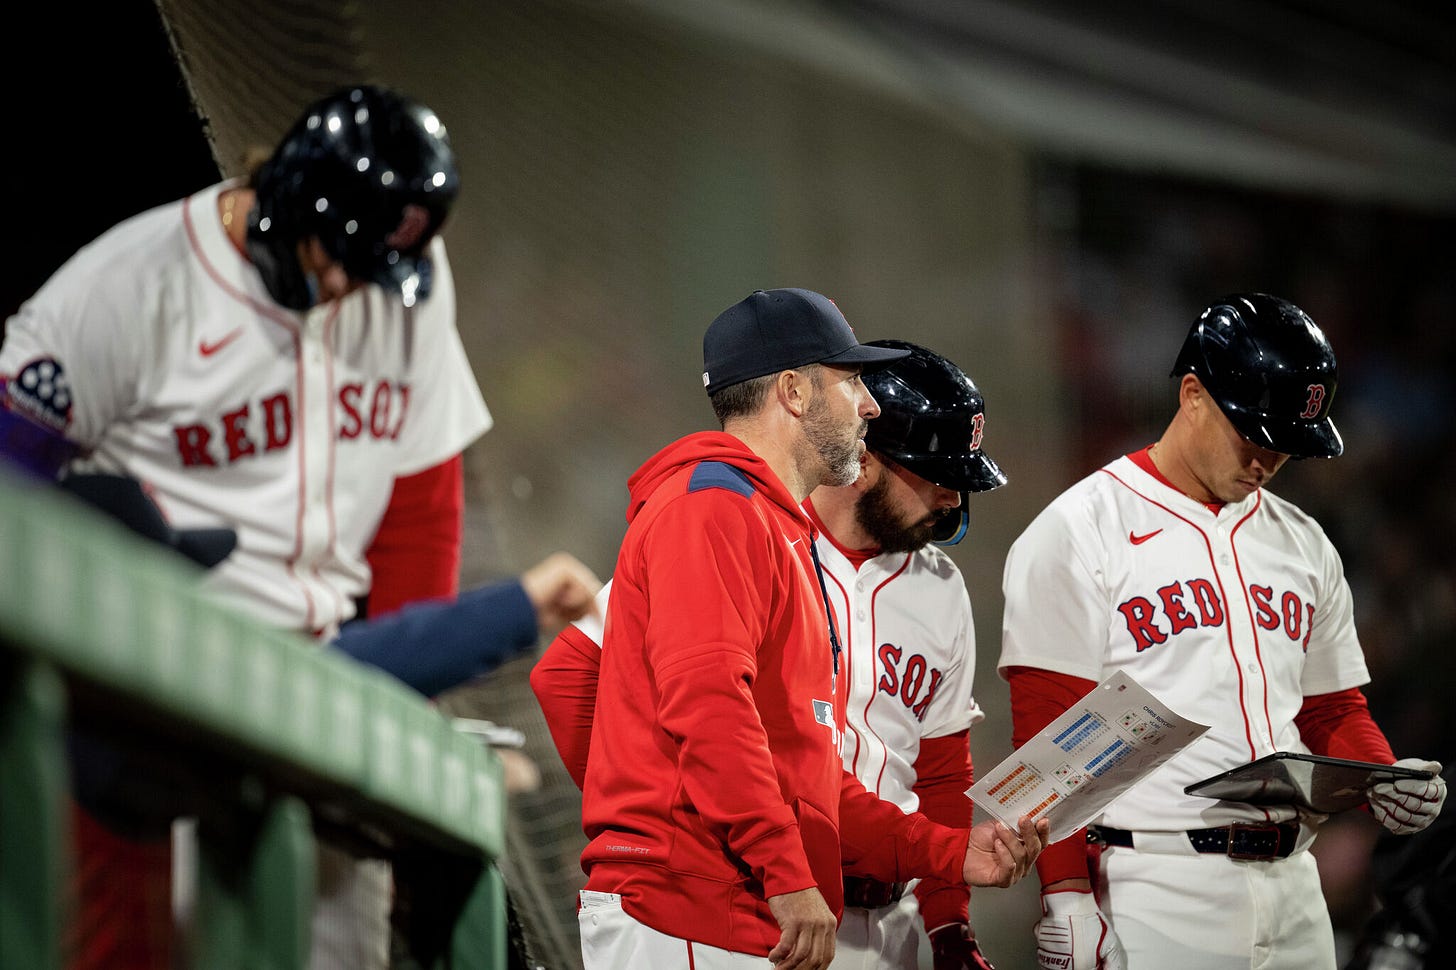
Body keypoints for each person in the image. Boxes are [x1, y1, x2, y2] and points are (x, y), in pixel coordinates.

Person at [1, 84, 494, 970]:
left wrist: (404, 697)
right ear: (283, 205)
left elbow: (424, 500)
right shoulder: (130, 286)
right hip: (173, 693)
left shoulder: (403, 281)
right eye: (332, 255)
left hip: (336, 695)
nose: (350, 285)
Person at [533, 288, 1047, 970]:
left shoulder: (773, 528)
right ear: (795, 392)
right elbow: (704, 706)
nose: (868, 405)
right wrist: (662, 825)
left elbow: (806, 774)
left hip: (766, 903)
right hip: (701, 905)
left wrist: (952, 857)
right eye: (852, 382)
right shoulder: (710, 509)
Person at [996, 293, 1448, 970]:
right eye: (1254, 433)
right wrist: (1064, 896)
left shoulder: (1304, 543)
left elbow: (1331, 709)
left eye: (1288, 445)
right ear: (1192, 394)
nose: (1267, 459)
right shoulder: (1079, 528)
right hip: (1154, 883)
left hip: (1295, 886)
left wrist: (1382, 778)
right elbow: (1048, 741)